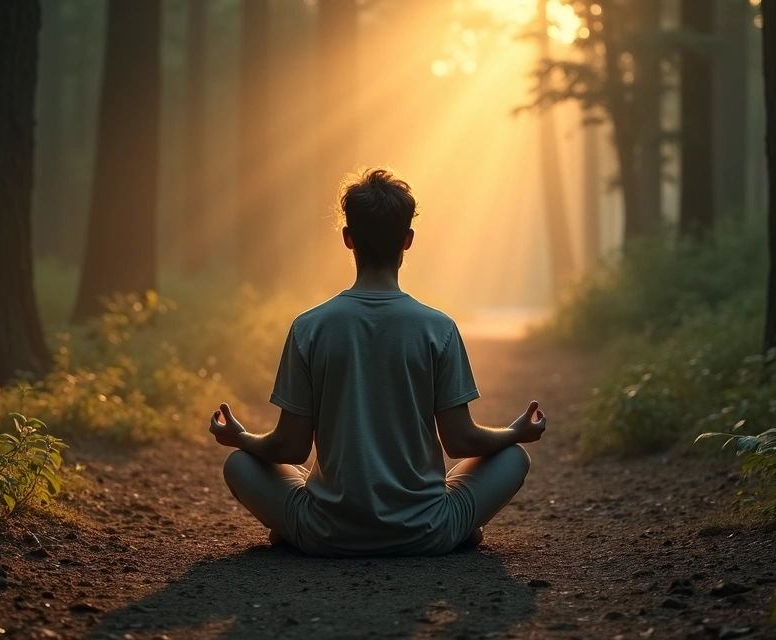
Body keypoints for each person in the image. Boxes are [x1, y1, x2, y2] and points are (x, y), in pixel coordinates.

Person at [209, 167, 546, 557]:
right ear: (408, 241)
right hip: (427, 532)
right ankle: (458, 528)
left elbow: (290, 448)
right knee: (513, 457)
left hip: (326, 534)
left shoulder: (309, 328)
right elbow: (460, 441)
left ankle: (294, 528)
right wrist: (515, 432)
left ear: (348, 239)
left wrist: (240, 438)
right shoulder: (439, 328)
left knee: (239, 463)